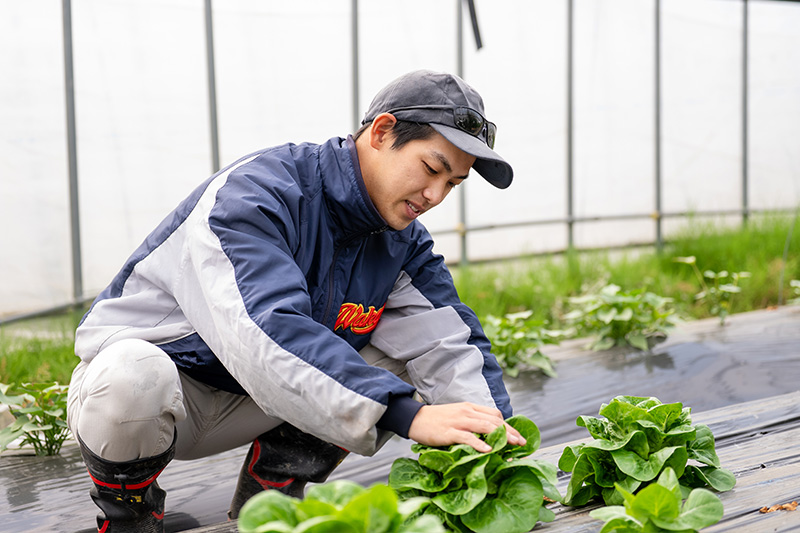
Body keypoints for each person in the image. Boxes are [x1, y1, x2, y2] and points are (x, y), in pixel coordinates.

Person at [67, 69, 521, 532]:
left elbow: (447, 341)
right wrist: (407, 415)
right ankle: (131, 517)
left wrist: (498, 448)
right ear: (382, 132)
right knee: (129, 376)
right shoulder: (254, 196)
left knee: (398, 360)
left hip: (254, 402)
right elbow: (264, 331)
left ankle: (268, 505)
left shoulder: (402, 242)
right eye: (432, 169)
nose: (435, 195)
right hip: (172, 394)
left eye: (453, 184)